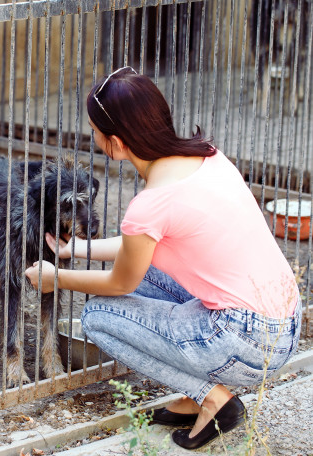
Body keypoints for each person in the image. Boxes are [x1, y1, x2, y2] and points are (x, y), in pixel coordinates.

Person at [24, 66, 302, 450]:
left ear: (117, 144)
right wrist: (78, 249)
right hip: (286, 321)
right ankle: (197, 398)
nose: (93, 137)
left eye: (95, 131)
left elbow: (120, 282)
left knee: (97, 318)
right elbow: (138, 249)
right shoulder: (209, 158)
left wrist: (56, 277)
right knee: (148, 271)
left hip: (247, 341)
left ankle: (215, 400)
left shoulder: (150, 204)